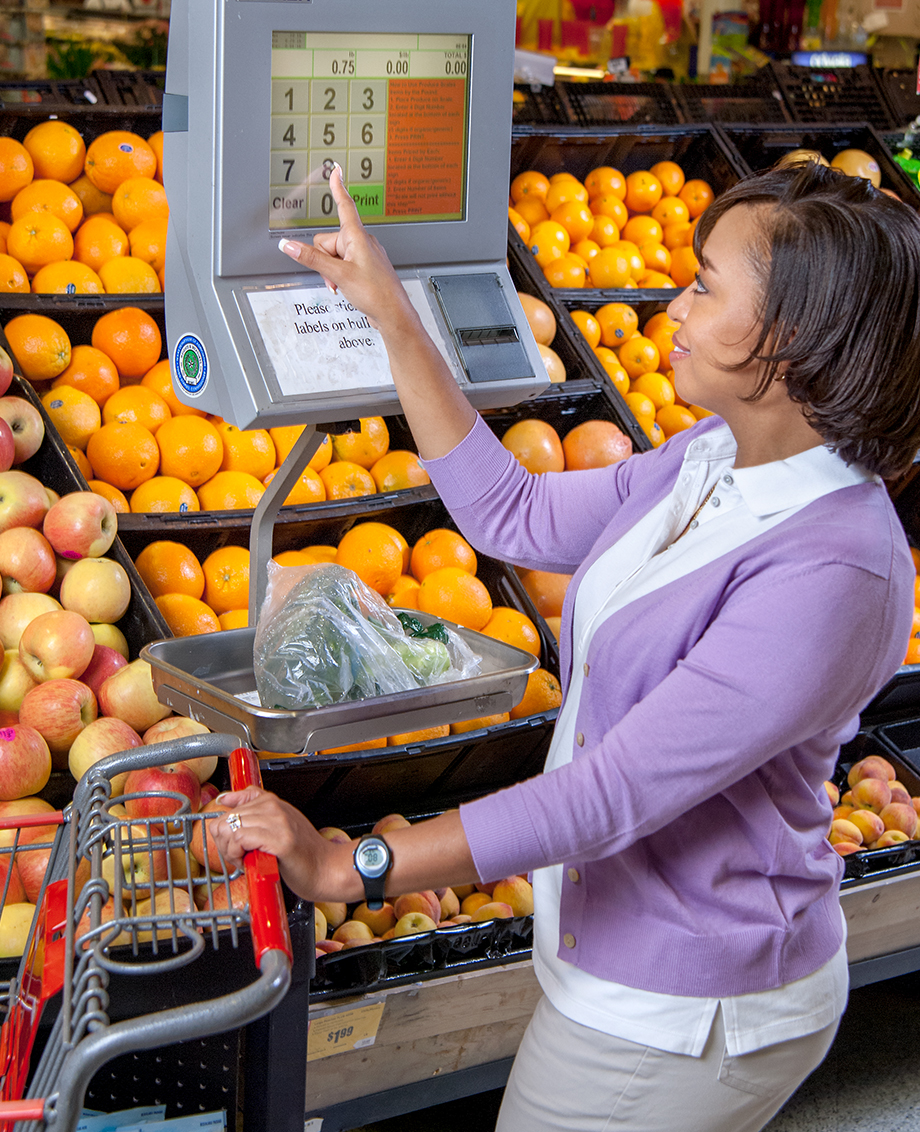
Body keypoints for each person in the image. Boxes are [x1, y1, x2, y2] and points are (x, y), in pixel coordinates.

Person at [212, 160, 920, 1132]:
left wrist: (356, 866)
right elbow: (512, 511)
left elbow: (611, 791)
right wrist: (392, 316)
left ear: (787, 338)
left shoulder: (833, 572)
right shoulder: (708, 459)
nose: (672, 305)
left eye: (704, 285)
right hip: (621, 957)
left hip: (686, 1010)